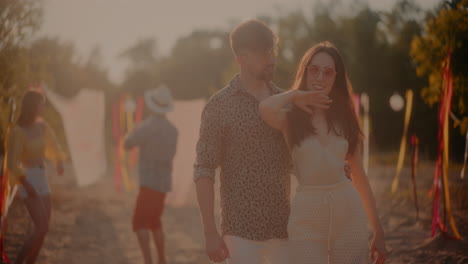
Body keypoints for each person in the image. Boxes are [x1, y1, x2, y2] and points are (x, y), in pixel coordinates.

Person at [259, 41, 387, 264]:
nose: (320, 77)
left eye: (328, 72)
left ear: (336, 77)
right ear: (305, 71)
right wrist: (295, 95)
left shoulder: (346, 119)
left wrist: (378, 229)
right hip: (307, 211)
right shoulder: (291, 118)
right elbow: (265, 108)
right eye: (314, 69)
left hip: (347, 208)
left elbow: (359, 175)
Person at [7, 90, 65, 264]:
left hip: (42, 176)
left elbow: (53, 145)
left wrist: (58, 162)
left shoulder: (42, 126)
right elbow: (12, 163)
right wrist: (25, 183)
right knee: (41, 228)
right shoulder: (18, 131)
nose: (44, 107)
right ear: (33, 106)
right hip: (28, 178)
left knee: (44, 229)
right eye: (41, 103)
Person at [124, 86, 178, 264]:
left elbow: (128, 144)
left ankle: (148, 261)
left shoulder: (146, 126)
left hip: (148, 183)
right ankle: (162, 259)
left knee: (139, 223)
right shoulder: (173, 130)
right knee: (155, 221)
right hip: (163, 183)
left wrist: (130, 130)